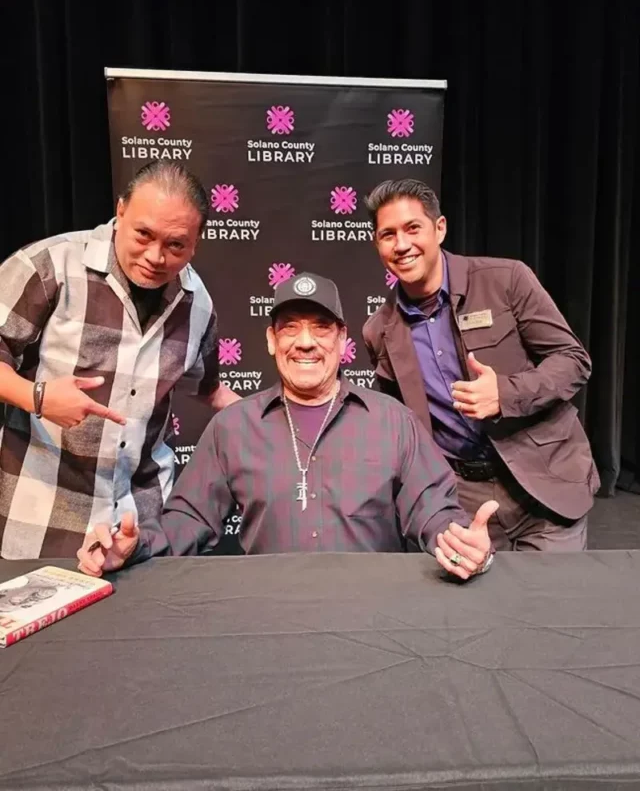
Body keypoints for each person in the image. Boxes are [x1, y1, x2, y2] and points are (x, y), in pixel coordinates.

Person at [77, 272, 499, 582]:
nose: (305, 342)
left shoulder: (392, 420)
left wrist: (458, 541)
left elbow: (433, 508)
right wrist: (134, 547)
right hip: (267, 621)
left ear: (342, 340)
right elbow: (188, 520)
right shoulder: (233, 427)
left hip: (374, 617)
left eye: (321, 328)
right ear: (271, 340)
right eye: (290, 328)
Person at [0, 159, 239, 559]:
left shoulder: (196, 303)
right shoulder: (51, 265)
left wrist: (279, 420)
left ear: (196, 243)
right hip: (39, 518)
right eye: (143, 234)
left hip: (138, 529)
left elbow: (209, 390)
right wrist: (36, 397)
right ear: (121, 210)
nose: (155, 257)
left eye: (175, 245)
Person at [362, 178, 600, 551]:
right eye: (388, 235)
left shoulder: (505, 280)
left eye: (413, 228)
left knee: (552, 590)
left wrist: (506, 394)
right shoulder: (380, 330)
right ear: (377, 244)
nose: (402, 244)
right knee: (481, 592)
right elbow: (401, 425)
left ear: (440, 228)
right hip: (463, 500)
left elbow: (573, 361)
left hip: (544, 482)